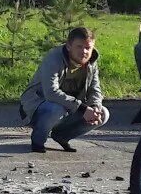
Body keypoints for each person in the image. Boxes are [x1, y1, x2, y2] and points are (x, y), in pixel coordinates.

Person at [19, 25, 108, 153]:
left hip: (69, 107)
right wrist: (83, 108)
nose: (84, 51)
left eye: (88, 48)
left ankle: (62, 136)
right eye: (79, 46)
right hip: (37, 107)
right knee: (56, 108)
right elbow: (51, 93)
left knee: (103, 114)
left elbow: (95, 89)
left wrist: (95, 107)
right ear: (68, 46)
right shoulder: (54, 58)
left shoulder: (91, 62)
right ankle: (38, 141)